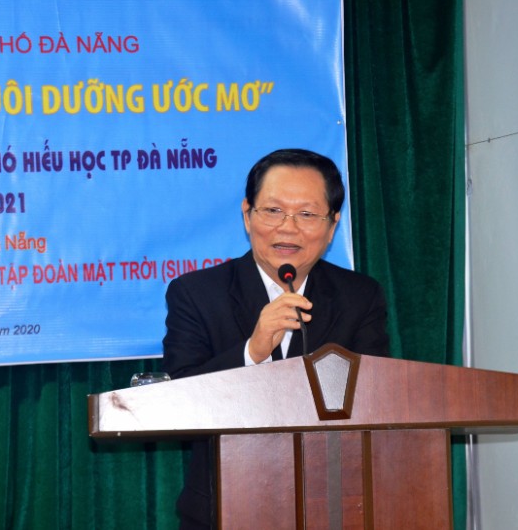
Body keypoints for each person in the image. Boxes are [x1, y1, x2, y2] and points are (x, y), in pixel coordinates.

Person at [161, 148, 390, 529]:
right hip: (225, 509)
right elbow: (178, 399)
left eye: (307, 214)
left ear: (332, 225)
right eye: (273, 210)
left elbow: (377, 395)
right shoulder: (196, 293)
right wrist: (253, 351)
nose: (288, 228)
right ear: (247, 214)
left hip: (334, 506)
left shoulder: (359, 296)